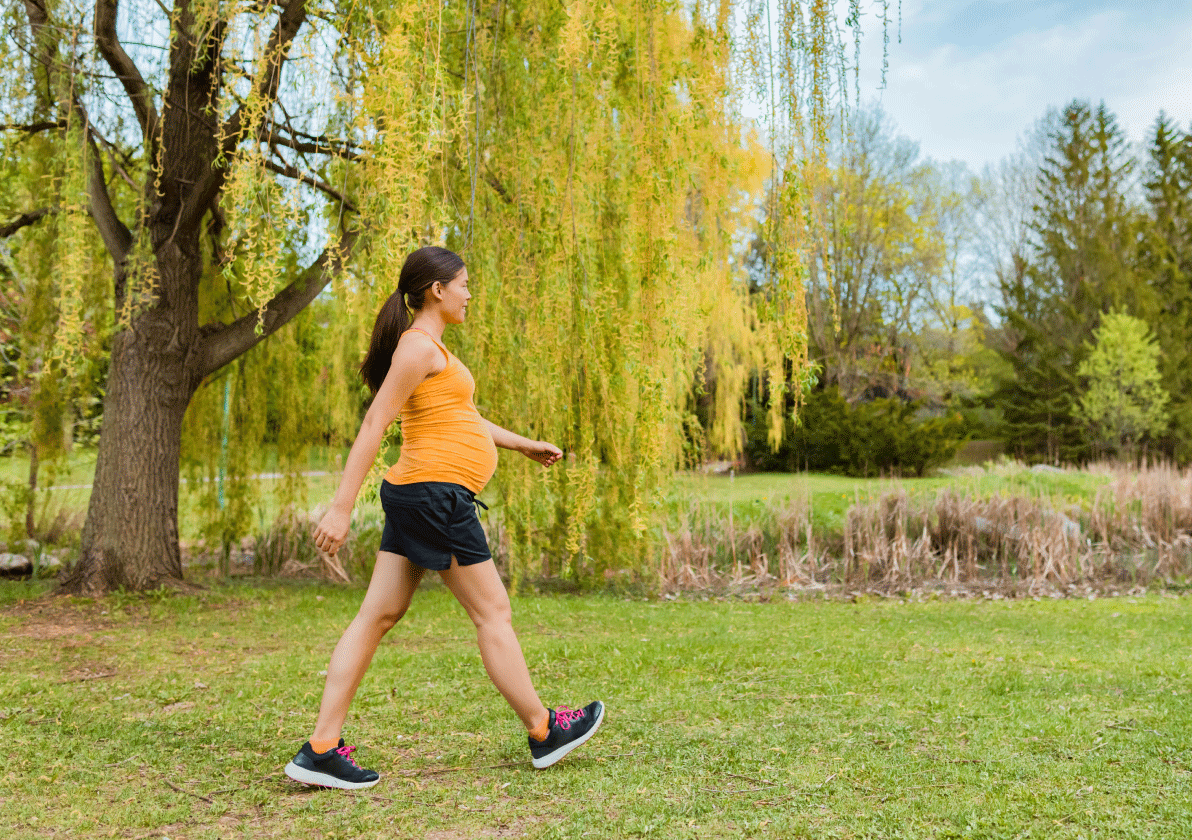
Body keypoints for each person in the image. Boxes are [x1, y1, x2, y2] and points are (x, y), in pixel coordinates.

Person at [284, 246, 604, 790]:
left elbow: (466, 418)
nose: (469, 293)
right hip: (435, 498)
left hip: (419, 495)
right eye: (463, 284)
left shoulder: (433, 350)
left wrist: (523, 445)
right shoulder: (416, 348)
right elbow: (373, 426)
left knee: (377, 617)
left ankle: (319, 749)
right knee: (492, 612)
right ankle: (543, 728)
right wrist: (340, 508)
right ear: (437, 290)